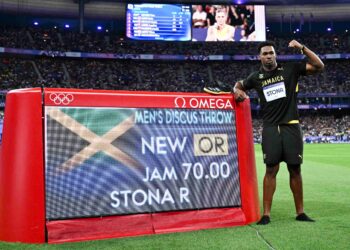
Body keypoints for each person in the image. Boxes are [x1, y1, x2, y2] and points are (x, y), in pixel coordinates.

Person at [233, 40, 324, 225]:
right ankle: (266, 214)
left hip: (291, 126)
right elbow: (239, 84)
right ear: (260, 57)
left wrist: (302, 47)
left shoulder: (290, 70)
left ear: (276, 55)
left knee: (295, 169)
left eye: (271, 53)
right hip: (270, 128)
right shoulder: (255, 77)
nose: (268, 56)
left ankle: (300, 212)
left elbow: (319, 66)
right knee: (271, 169)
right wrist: (236, 90)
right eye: (265, 53)